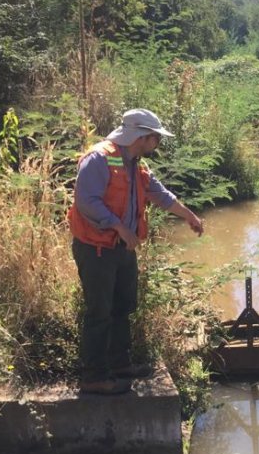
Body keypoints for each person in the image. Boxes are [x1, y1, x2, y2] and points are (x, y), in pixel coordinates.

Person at [67, 109, 204, 395]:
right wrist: (119, 227)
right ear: (143, 137)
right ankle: (93, 377)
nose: (158, 144)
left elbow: (160, 194)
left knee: (123, 308)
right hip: (96, 250)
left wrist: (189, 215)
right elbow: (86, 201)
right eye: (156, 138)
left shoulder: (136, 165)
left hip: (121, 249)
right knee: (99, 311)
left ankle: (120, 365)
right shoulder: (99, 158)